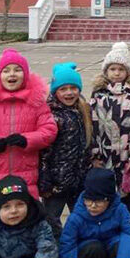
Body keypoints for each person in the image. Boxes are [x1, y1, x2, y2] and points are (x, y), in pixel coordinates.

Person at [0, 48, 57, 224]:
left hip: (26, 174)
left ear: (26, 74)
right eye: (6, 71)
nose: (12, 74)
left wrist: (27, 140)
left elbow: (49, 130)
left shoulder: (36, 103)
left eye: (17, 69)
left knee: (26, 219)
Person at [89, 42, 130, 232]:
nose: (116, 73)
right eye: (112, 69)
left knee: (128, 194)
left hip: (126, 158)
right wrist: (95, 154)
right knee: (106, 194)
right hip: (105, 157)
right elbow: (93, 124)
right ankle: (108, 230)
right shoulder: (98, 96)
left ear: (127, 72)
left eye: (120, 69)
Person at [40, 62, 92, 230]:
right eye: (63, 89)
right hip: (56, 184)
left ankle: (76, 250)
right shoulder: (51, 116)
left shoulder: (82, 111)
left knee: (81, 219)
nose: (69, 92)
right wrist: (45, 182)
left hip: (78, 180)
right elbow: (43, 153)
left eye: (73, 88)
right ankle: (53, 251)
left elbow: (86, 144)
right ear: (55, 91)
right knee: (51, 220)